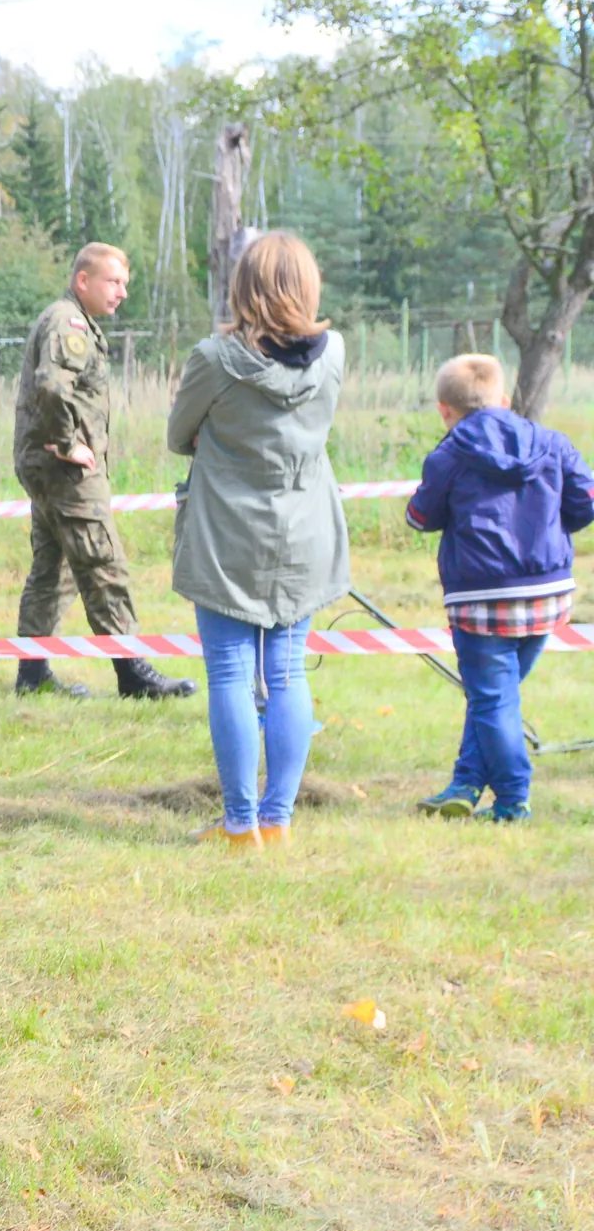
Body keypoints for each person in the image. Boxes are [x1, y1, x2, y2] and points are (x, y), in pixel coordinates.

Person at [167, 231, 351, 849]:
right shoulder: (335, 355)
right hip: (304, 533)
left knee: (228, 672)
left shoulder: (214, 359)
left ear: (244, 286)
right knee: (289, 671)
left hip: (227, 535)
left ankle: (240, 824)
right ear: (307, 285)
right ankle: (277, 820)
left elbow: (179, 433)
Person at [407, 354, 594, 824]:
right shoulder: (552, 443)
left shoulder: (447, 455)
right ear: (505, 400)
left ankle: (512, 801)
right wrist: (556, 524)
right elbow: (586, 501)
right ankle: (466, 782)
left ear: (444, 410)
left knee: (493, 699)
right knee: (496, 698)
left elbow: (420, 518)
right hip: (548, 594)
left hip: (480, 598)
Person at [9, 246, 193, 699]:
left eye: (124, 283)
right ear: (82, 281)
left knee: (52, 570)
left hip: (46, 470)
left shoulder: (73, 320)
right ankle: (133, 674)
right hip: (65, 474)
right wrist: (69, 444)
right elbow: (53, 387)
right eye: (113, 282)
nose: (122, 293)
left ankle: (31, 678)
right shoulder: (68, 322)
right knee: (103, 565)